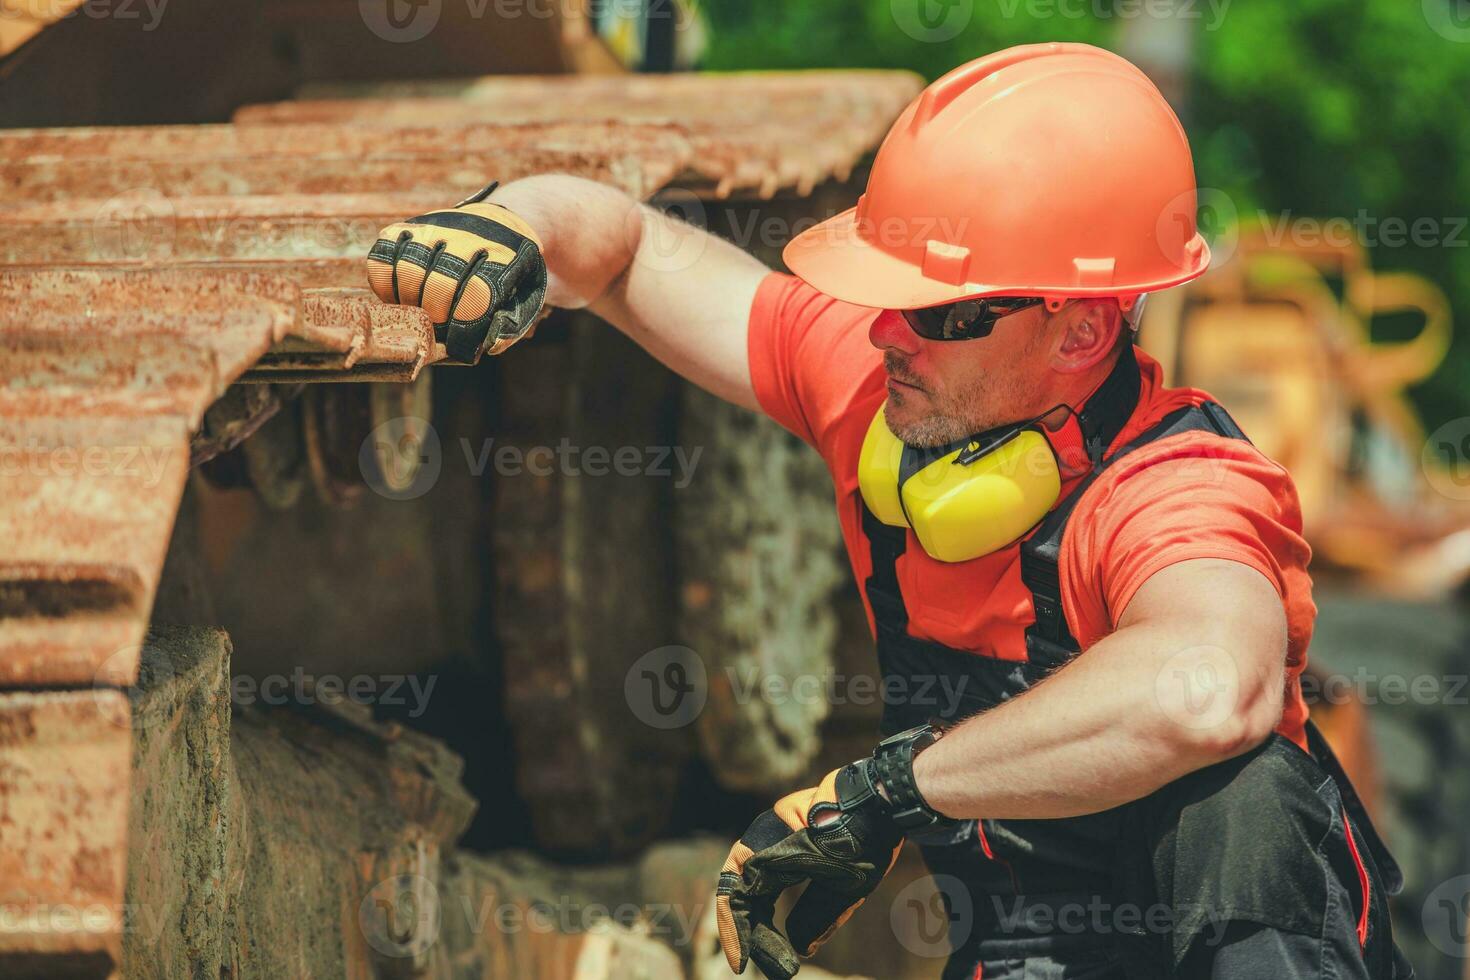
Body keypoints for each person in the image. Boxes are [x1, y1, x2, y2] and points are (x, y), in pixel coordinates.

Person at [367, 41, 1409, 980]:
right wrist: (517, 220)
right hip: (1018, 953)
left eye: (939, 310)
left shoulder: (1171, 487)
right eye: (886, 294)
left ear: (1084, 333)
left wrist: (888, 792)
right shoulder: (895, 396)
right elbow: (633, 253)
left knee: (1246, 796)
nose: (887, 335)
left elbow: (1204, 689)